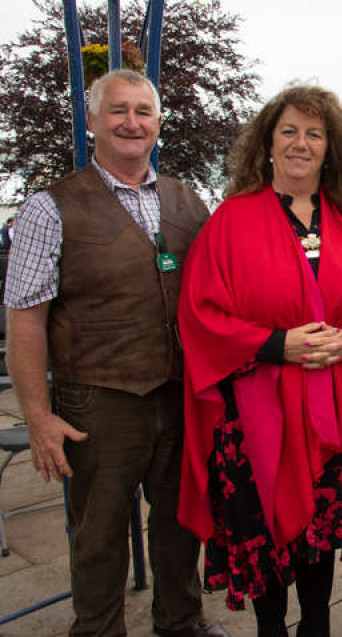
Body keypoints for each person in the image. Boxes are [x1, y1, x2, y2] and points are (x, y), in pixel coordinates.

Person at [4, 69, 225, 637]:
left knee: (181, 524)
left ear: (157, 124)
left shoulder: (185, 199)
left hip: (178, 393)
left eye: (143, 112)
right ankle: (98, 630)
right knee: (98, 535)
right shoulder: (50, 208)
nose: (132, 122)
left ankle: (181, 621)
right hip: (96, 400)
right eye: (118, 110)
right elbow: (25, 322)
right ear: (94, 121)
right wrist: (38, 417)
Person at [177, 85, 342, 636]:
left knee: (321, 532)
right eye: (289, 131)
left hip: (335, 409)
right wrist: (278, 345)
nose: (301, 143)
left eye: (314, 133)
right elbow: (200, 313)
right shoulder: (231, 220)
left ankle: (318, 625)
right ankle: (272, 628)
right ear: (268, 144)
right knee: (269, 528)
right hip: (259, 411)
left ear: (331, 148)